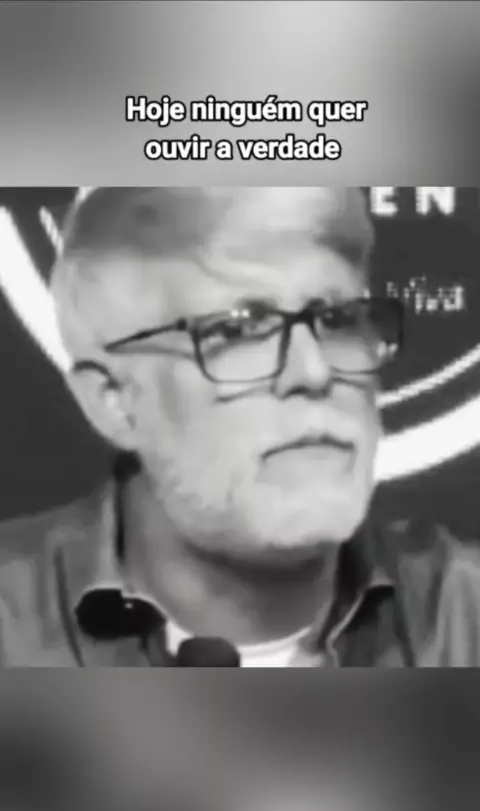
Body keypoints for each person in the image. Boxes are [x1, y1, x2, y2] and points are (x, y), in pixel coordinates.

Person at [1, 185, 480, 667]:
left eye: (338, 320)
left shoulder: (463, 611)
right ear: (114, 402)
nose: (314, 372)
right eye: (236, 330)